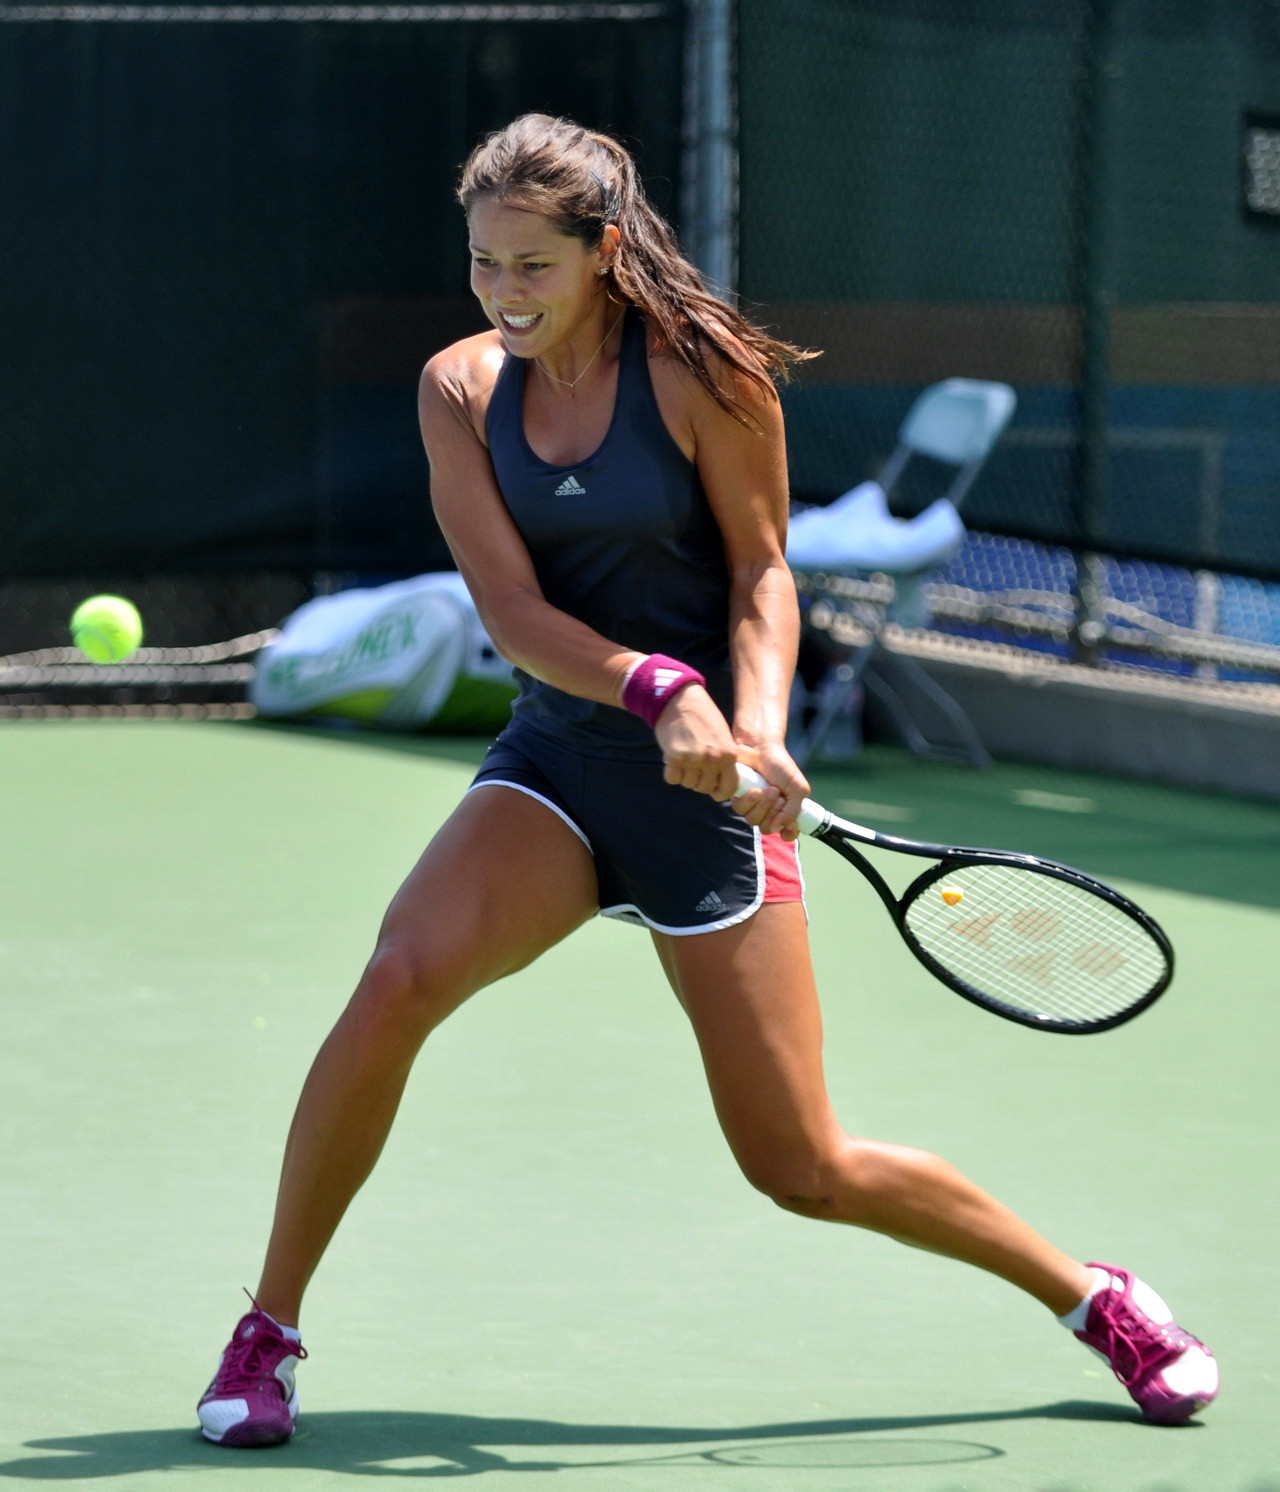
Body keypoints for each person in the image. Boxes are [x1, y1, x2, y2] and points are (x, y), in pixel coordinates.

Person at [196, 115, 1218, 1447]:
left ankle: (1092, 1299)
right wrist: (655, 688)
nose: (504, 296)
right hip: (561, 766)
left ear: (604, 253)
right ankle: (266, 1329)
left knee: (802, 1167)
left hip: (708, 811)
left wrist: (760, 728)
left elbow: (762, 574)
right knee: (398, 978)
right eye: (482, 265)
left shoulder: (702, 374)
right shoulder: (460, 388)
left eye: (533, 269)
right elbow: (508, 612)